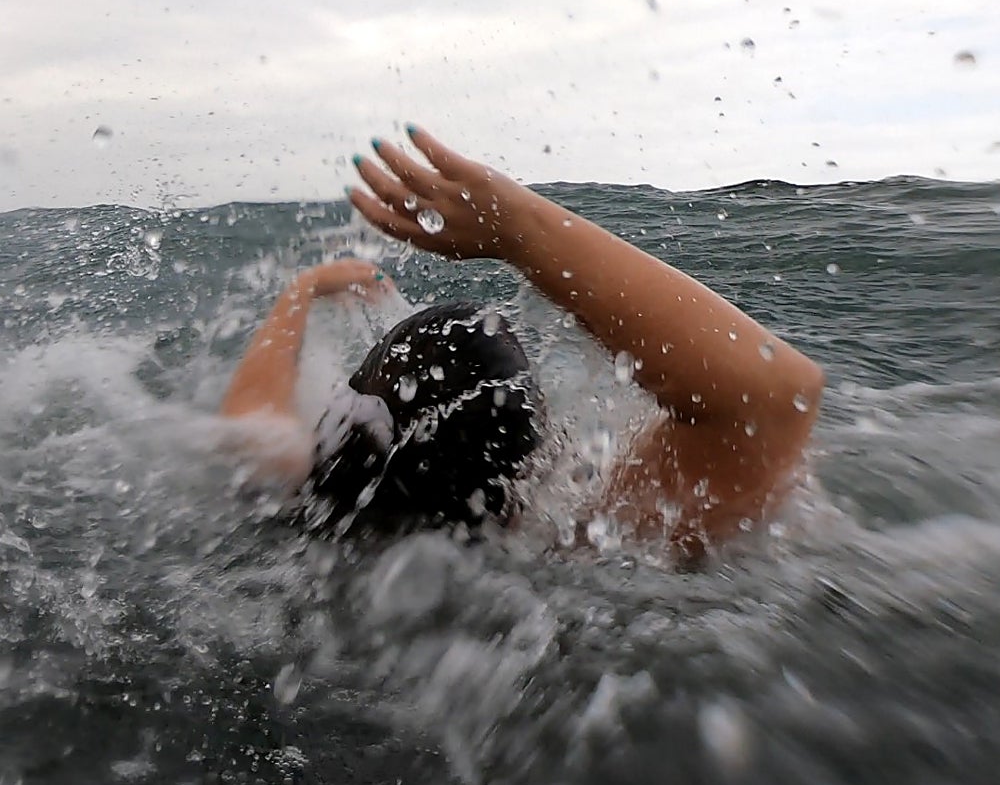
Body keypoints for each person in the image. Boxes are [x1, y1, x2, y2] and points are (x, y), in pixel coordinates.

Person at [220, 125, 825, 558]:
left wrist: (301, 290)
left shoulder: (290, 499)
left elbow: (252, 410)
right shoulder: (580, 549)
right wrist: (520, 228)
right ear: (529, 460)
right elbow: (776, 395)